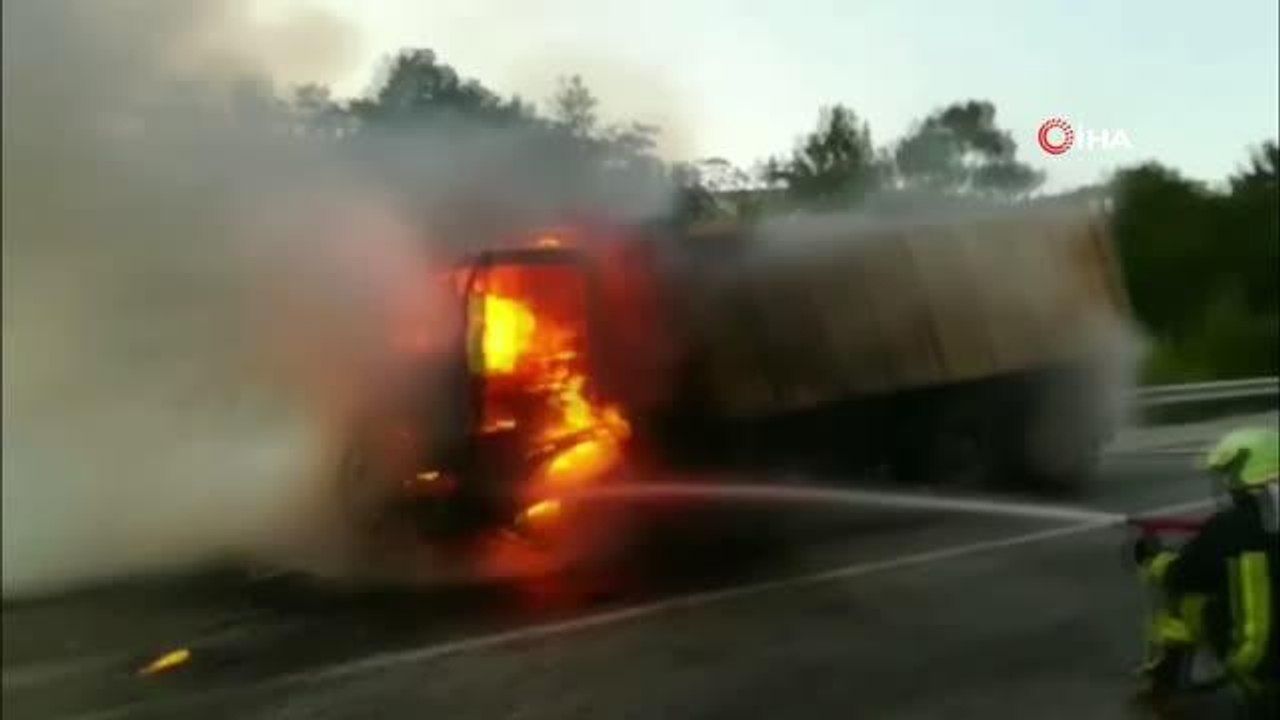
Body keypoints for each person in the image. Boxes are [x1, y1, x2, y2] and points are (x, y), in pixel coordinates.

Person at [1134, 426, 1278, 715]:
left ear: (1248, 472)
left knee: (1179, 601)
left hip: (1264, 669)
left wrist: (1152, 559)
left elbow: (1181, 574)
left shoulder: (1228, 527)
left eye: (1229, 474)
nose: (1226, 483)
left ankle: (1164, 686)